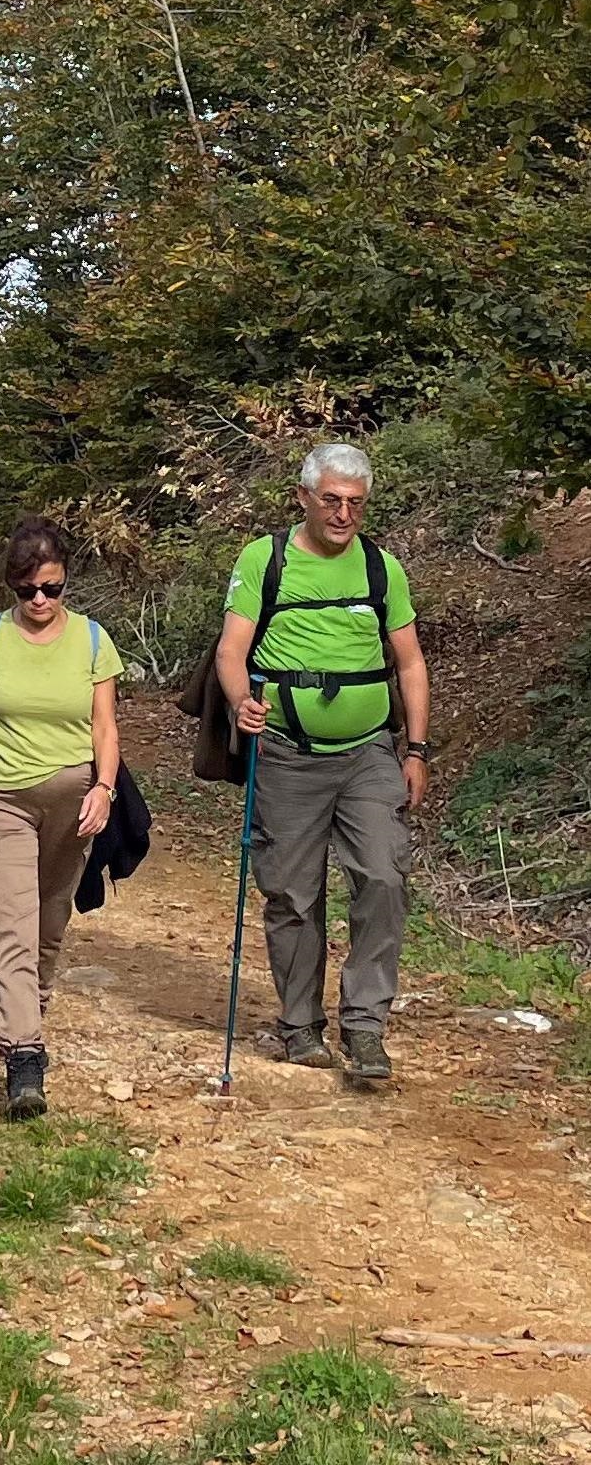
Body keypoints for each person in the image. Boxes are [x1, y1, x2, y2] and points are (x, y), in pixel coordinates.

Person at [215, 444, 432, 1080]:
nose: (343, 514)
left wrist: (417, 750)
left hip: (368, 752)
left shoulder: (381, 568)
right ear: (304, 497)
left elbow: (410, 662)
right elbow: (231, 651)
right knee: (291, 893)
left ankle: (365, 1026)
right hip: (286, 753)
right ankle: (301, 1024)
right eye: (332, 500)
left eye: (355, 503)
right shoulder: (266, 560)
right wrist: (241, 702)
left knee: (384, 878)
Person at [0, 518, 123, 1120]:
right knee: (12, 920)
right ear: (12, 586)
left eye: (51, 587)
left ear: (66, 579)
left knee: (50, 912)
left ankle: (32, 1001)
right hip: (1, 795)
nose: (40, 600)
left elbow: (105, 727)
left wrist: (104, 788)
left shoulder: (93, 640)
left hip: (74, 796)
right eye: (27, 590)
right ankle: (24, 1053)